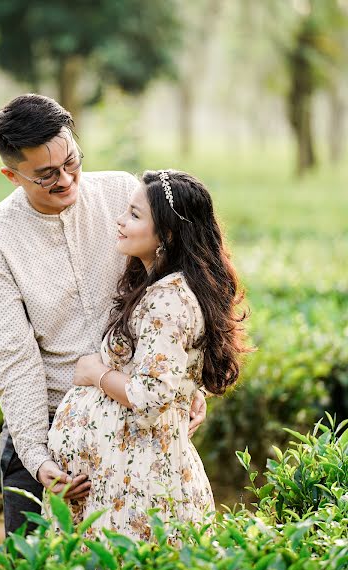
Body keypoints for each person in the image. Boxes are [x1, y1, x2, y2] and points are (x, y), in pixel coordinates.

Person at [0, 94, 208, 535]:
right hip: (49, 440)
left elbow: (176, 296)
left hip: (136, 437)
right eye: (47, 176)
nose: (66, 180)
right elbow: (11, 357)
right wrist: (39, 459)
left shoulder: (121, 192)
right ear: (12, 175)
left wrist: (185, 383)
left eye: (71, 162)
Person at [47, 169, 249, 540]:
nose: (120, 221)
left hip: (139, 486)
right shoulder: (156, 285)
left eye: (135, 215)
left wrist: (96, 374)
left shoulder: (168, 298)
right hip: (124, 479)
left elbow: (152, 396)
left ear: (167, 236)